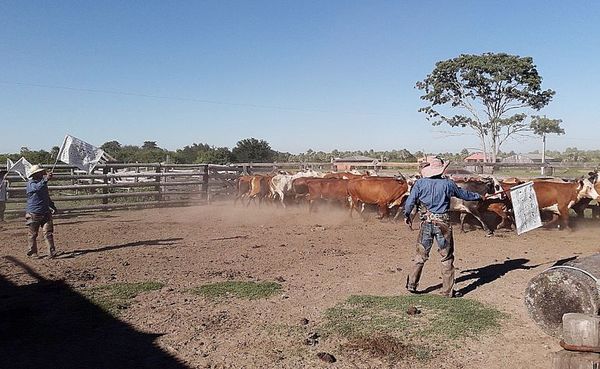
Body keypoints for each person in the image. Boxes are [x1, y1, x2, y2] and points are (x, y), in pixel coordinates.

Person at [403, 157, 482, 298]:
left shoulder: (420, 184)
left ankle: (412, 285)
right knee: (446, 257)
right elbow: (463, 195)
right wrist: (478, 196)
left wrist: (407, 215)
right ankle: (447, 291)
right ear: (442, 170)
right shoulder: (448, 184)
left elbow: (410, 201)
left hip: (426, 223)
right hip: (443, 224)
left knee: (420, 255)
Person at [25, 164, 57, 258]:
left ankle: (51, 252)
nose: (41, 174)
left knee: (48, 232)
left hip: (45, 211)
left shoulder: (42, 183)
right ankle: (32, 252)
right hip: (34, 212)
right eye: (40, 173)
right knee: (33, 234)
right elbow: (38, 188)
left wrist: (52, 206)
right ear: (35, 174)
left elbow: (46, 196)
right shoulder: (31, 184)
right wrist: (46, 179)